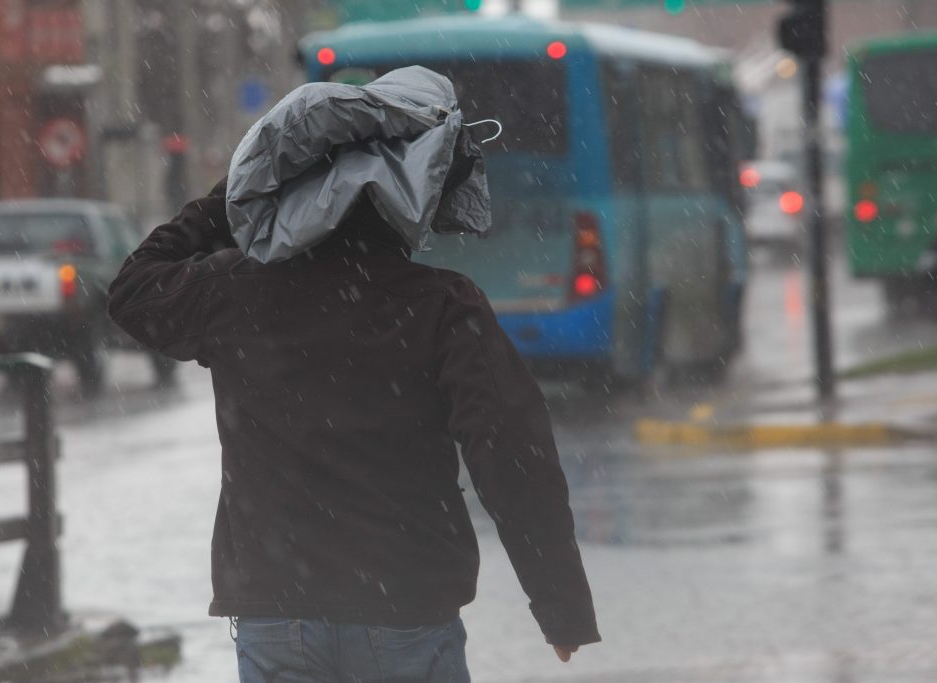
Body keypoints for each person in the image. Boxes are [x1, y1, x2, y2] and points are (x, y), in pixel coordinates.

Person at [107, 180, 600, 682]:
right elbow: (512, 456)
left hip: (279, 608)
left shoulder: (235, 289)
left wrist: (236, 193)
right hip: (407, 605)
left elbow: (132, 289)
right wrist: (560, 603)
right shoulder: (441, 304)